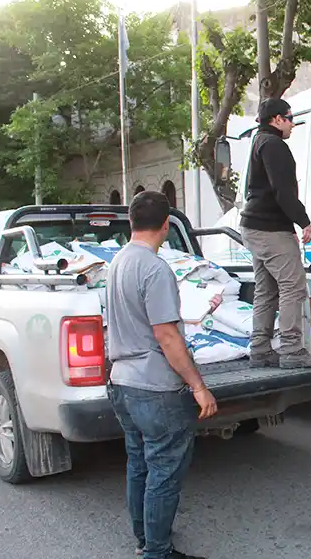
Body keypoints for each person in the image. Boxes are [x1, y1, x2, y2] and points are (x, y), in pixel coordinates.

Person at [107, 191, 219, 559]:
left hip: (122, 382)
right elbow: (167, 336)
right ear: (167, 226)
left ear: (131, 222)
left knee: (138, 462)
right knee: (164, 471)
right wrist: (198, 386)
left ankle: (144, 540)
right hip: (155, 387)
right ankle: (157, 551)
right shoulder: (155, 269)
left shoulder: (117, 263)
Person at [241, 98, 311, 369]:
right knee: (293, 285)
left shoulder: (258, 142)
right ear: (276, 119)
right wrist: (304, 221)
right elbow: (283, 192)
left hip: (254, 226)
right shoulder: (275, 145)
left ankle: (261, 350)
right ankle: (292, 350)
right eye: (290, 118)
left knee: (266, 290)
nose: (292, 124)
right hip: (270, 228)